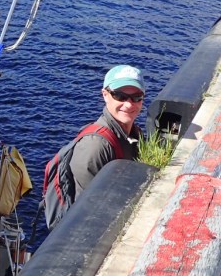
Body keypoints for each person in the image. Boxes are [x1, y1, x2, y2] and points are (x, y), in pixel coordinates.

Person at [42, 64, 144, 228]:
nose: (129, 104)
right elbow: (89, 209)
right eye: (120, 96)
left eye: (136, 97)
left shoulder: (133, 133)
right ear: (105, 95)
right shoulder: (95, 146)